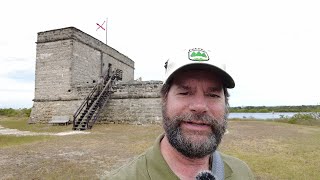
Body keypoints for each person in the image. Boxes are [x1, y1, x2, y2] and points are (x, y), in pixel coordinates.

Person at [107, 48, 254, 180]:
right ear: (164, 100)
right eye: (184, 92)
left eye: (213, 95)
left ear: (225, 103)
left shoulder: (242, 173)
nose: (199, 107)